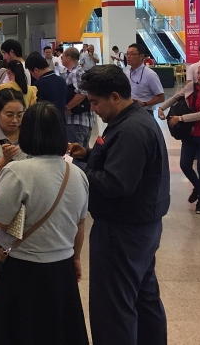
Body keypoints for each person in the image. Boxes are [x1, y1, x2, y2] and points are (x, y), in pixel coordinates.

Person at [69, 65, 169, 345]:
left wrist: (76, 172)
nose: (93, 109)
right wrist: (88, 155)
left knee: (113, 307)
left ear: (115, 96)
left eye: (95, 102)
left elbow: (116, 183)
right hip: (142, 227)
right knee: (143, 298)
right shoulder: (132, 120)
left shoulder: (131, 130)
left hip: (122, 231)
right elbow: (121, 163)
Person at [0, 102, 89, 345]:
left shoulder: (18, 171)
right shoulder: (77, 174)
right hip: (62, 268)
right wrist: (76, 258)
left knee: (17, 331)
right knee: (56, 332)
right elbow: (79, 225)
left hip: (22, 269)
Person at [158, 63, 200, 214]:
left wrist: (180, 118)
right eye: (198, 73)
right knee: (185, 165)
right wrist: (162, 107)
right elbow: (176, 97)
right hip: (189, 134)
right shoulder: (191, 87)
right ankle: (198, 187)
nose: (199, 76)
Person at [62, 47, 94, 149]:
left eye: (63, 56)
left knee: (74, 154)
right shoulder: (78, 72)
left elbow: (82, 93)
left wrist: (68, 107)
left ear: (68, 58)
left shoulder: (75, 73)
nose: (61, 59)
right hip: (83, 122)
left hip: (77, 122)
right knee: (83, 153)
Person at [123, 43, 165, 112]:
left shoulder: (150, 75)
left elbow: (161, 97)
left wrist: (144, 104)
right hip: (129, 111)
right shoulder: (126, 73)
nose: (128, 57)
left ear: (141, 56)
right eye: (127, 54)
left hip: (145, 111)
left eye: (132, 54)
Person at [26, 52, 68, 119]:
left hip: (45, 122)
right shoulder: (62, 80)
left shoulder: (38, 85)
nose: (32, 75)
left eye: (31, 73)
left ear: (36, 70)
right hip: (61, 121)